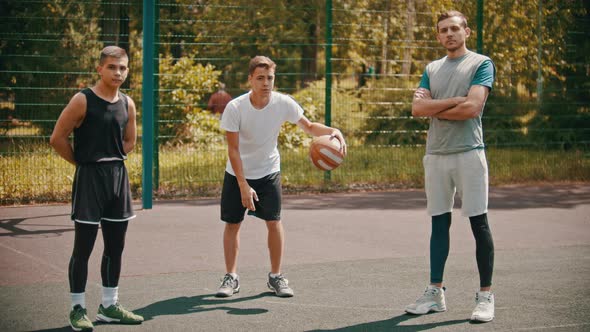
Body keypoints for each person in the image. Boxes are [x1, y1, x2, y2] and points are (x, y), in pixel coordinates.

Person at [216, 55, 347, 298]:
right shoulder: (236, 107)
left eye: (270, 78)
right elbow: (233, 150)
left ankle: (276, 277)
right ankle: (230, 277)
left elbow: (308, 127)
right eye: (260, 78)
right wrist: (243, 185)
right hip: (238, 173)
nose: (266, 83)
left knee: (274, 222)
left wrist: (333, 131)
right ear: (250, 80)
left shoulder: (283, 103)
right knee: (233, 224)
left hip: (268, 171)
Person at [405, 11, 496, 323]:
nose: (449, 34)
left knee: (478, 224)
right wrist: (454, 101)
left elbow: (473, 108)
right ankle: (435, 293)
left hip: (469, 153)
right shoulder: (432, 68)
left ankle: (485, 295)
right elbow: (417, 108)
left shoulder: (481, 63)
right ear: (438, 36)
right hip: (436, 155)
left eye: (454, 28)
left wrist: (436, 107)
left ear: (466, 31)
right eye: (443, 30)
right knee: (438, 224)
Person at [50, 46, 144, 331]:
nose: (118, 72)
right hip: (90, 179)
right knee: (84, 248)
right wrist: (82, 163)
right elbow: (57, 138)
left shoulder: (128, 103)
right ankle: (78, 308)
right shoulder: (82, 100)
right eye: (112, 67)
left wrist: (111, 160)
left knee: (115, 247)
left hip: (118, 178)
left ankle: (109, 305)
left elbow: (129, 141)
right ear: (99, 69)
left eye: (123, 68)